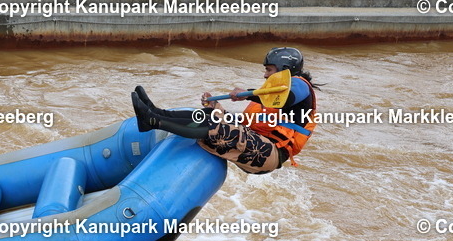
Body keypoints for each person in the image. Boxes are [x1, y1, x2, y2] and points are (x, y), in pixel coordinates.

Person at [131, 47, 318, 174]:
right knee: (209, 115)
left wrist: (248, 94)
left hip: (271, 153)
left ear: (284, 69)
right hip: (257, 142)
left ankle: (154, 121)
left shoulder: (300, 85)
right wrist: (218, 108)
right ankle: (155, 112)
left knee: (214, 126)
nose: (265, 74)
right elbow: (245, 128)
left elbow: (285, 98)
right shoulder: (273, 93)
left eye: (269, 69)